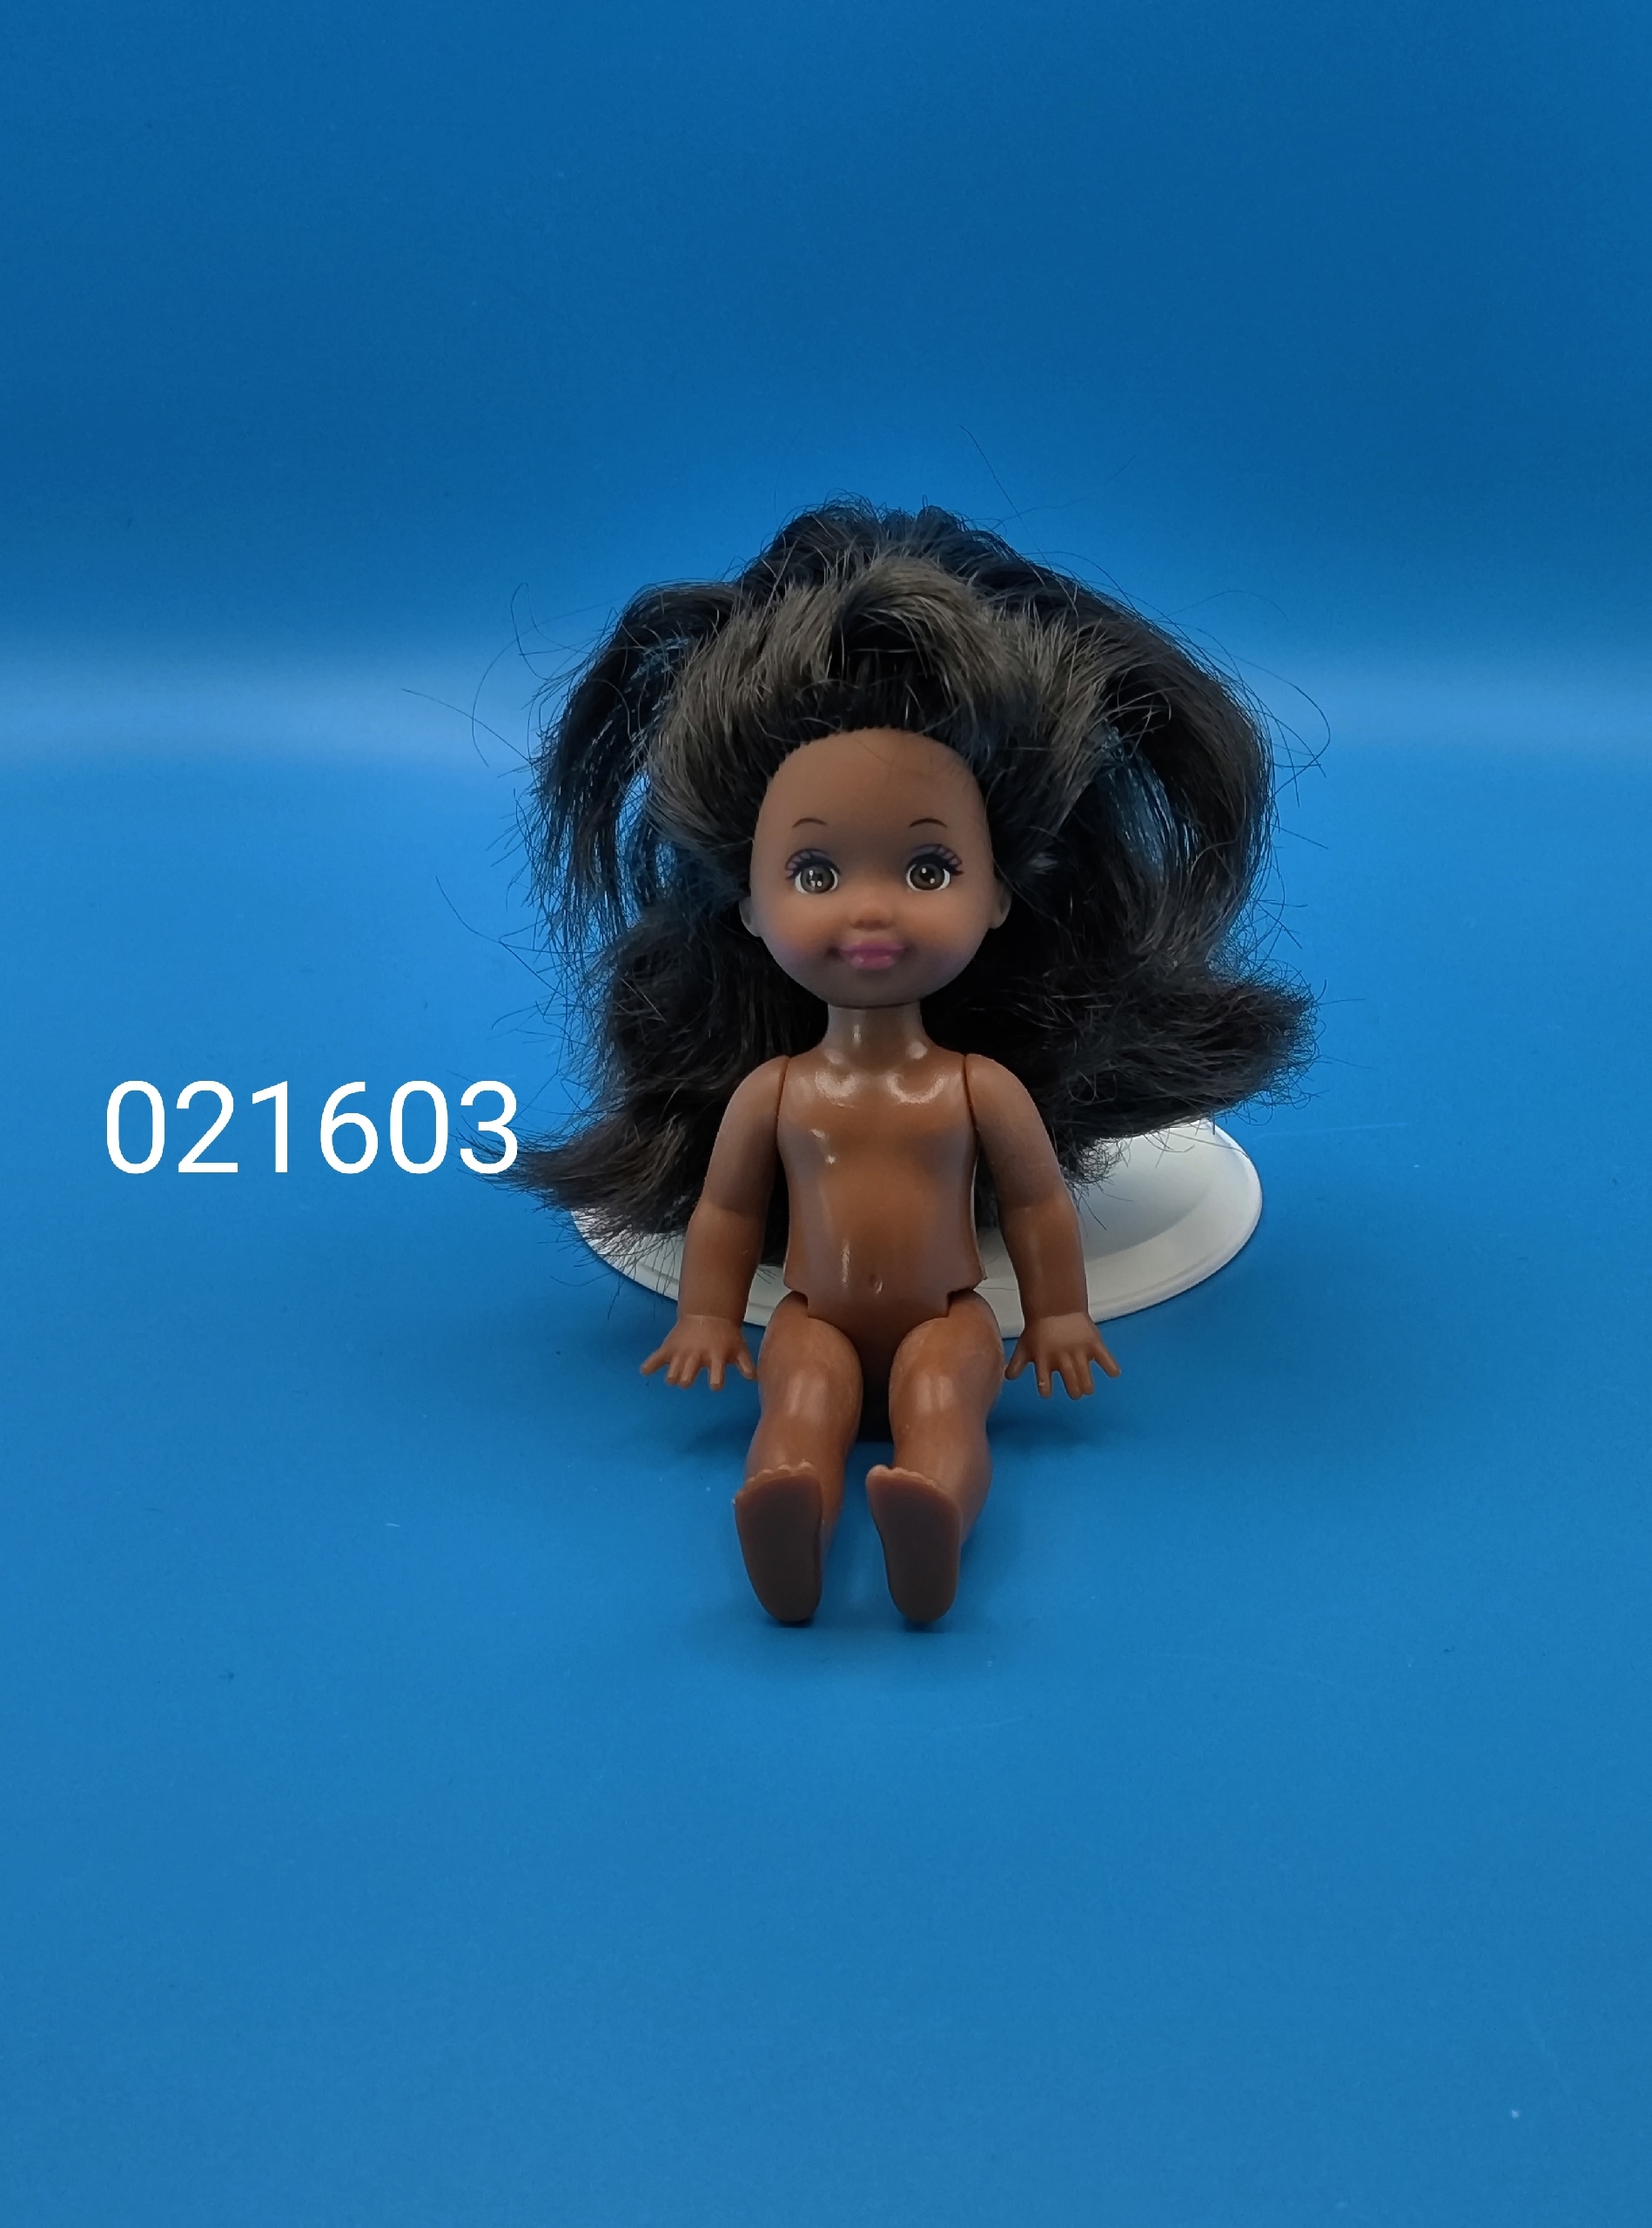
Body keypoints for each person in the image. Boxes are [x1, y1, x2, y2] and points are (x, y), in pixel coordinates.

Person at [516, 501, 1310, 1623]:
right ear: (746, 902)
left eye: (929, 870)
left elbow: (1035, 1202)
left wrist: (1058, 1315)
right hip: (814, 1315)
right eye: (817, 874)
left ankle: (929, 1509)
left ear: (1002, 894)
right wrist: (706, 1316)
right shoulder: (777, 1091)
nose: (872, 912)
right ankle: (787, 1504)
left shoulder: (976, 1089)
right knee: (798, 1403)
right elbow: (729, 1212)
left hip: (949, 1314)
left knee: (944, 1403)